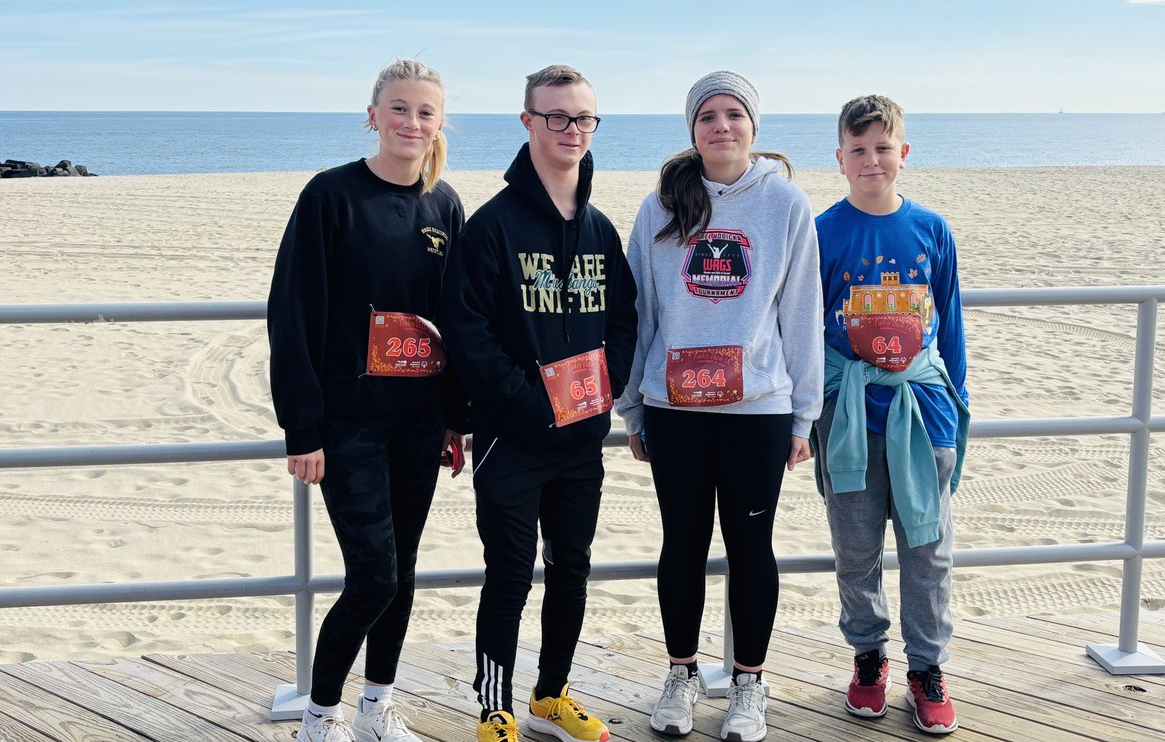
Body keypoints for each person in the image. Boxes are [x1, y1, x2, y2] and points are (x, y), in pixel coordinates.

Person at [615, 71, 823, 742]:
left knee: (751, 547)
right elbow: (640, 310)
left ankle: (749, 686)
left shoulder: (787, 204)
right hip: (673, 409)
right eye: (708, 116)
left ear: (753, 127)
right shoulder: (659, 207)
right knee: (681, 543)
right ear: (692, 129)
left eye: (734, 114)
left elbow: (801, 314)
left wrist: (804, 415)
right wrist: (632, 406)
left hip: (758, 411)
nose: (722, 126)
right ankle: (679, 676)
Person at [267, 59, 468, 742]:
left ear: (440, 123)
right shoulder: (330, 196)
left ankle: (376, 709)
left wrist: (456, 421)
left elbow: (457, 321)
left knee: (404, 573)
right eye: (399, 108)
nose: (412, 122)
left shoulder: (445, 206)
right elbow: (291, 314)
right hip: (347, 423)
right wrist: (302, 428)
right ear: (373, 115)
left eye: (425, 112)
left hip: (422, 423)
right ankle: (318, 719)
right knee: (374, 577)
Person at [441, 65, 638, 742]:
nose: (572, 131)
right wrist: (528, 401)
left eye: (583, 118)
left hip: (582, 440)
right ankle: (494, 708)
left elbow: (624, 318)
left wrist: (603, 382)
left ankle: (550, 696)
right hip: (511, 440)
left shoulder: (601, 230)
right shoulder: (492, 228)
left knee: (571, 570)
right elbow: (468, 332)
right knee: (509, 576)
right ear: (528, 122)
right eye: (556, 117)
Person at [812, 94, 970, 735]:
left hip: (922, 412)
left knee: (928, 550)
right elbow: (803, 328)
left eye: (883, 148)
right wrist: (809, 412)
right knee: (856, 551)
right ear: (841, 159)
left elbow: (951, 325)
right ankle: (869, 657)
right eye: (858, 150)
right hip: (848, 415)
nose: (871, 160)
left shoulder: (932, 228)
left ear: (903, 153)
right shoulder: (822, 231)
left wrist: (956, 406)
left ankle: (927, 668)